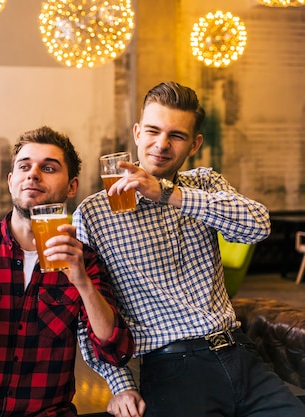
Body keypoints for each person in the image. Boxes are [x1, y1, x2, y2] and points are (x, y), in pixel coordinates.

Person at [73, 81, 305, 417]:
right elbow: (88, 311)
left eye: (176, 136)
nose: (161, 144)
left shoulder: (204, 184)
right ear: (137, 133)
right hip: (171, 366)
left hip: (241, 354)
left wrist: (168, 194)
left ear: (194, 144)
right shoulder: (93, 213)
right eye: (153, 131)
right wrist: (120, 382)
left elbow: (258, 225)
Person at [0, 126, 135, 417]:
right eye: (24, 166)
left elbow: (115, 349)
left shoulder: (84, 259)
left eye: (48, 167)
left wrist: (82, 283)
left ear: (72, 187)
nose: (33, 174)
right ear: (11, 181)